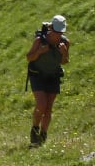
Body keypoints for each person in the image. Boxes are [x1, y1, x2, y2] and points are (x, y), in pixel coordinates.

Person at [26, 14, 70, 145]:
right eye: (56, 32)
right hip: (37, 75)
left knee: (49, 107)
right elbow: (29, 57)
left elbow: (65, 61)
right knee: (41, 104)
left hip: (53, 76)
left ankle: (43, 135)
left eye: (61, 32)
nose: (58, 35)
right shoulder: (39, 41)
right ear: (51, 29)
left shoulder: (65, 43)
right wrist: (39, 52)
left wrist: (64, 53)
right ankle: (35, 128)